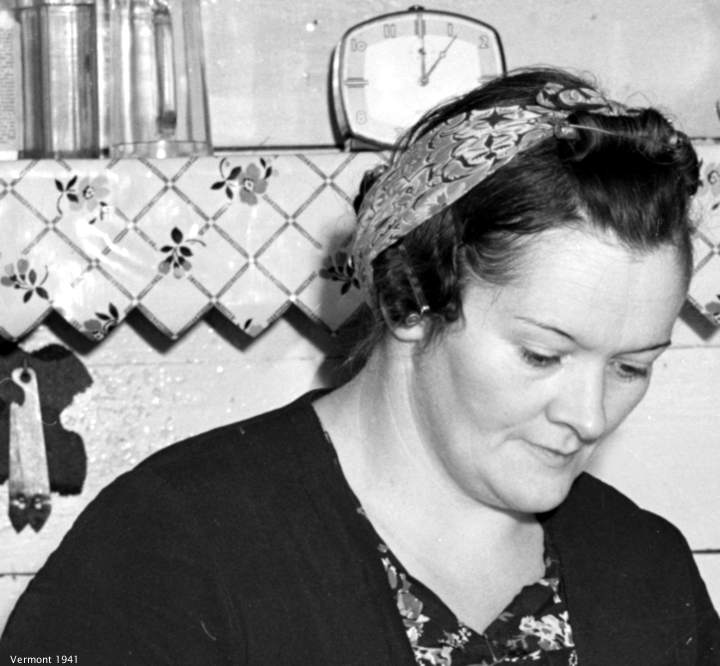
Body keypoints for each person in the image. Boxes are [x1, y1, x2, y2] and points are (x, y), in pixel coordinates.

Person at [2, 67, 719, 665]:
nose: (589, 416)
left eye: (632, 368)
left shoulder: (645, 571)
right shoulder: (169, 550)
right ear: (412, 298)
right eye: (542, 355)